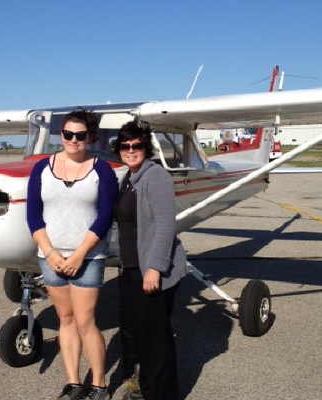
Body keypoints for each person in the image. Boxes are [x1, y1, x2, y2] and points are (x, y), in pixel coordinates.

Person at [27, 110, 118, 400]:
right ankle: (73, 383)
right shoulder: (41, 168)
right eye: (68, 134)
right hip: (50, 257)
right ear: (61, 135)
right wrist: (49, 252)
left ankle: (99, 386)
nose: (74, 140)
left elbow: (104, 217)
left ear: (90, 137)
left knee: (84, 321)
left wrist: (79, 254)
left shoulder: (102, 170)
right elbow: (33, 216)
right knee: (65, 319)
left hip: (88, 258)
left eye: (80, 135)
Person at [113, 121, 187, 400]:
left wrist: (155, 268)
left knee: (156, 339)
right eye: (125, 146)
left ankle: (159, 394)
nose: (131, 150)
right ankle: (149, 389)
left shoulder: (155, 176)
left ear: (146, 148)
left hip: (152, 269)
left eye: (137, 145)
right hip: (133, 268)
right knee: (143, 335)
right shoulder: (128, 179)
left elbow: (166, 225)